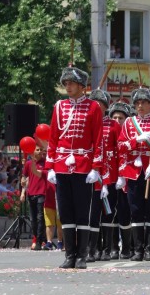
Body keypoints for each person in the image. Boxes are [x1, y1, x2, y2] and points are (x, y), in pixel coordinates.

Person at [46, 66, 105, 269]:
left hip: (83, 165)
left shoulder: (93, 107)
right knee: (66, 212)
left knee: (82, 213)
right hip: (62, 165)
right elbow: (53, 137)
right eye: (65, 83)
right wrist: (50, 166)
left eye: (71, 83)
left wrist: (96, 167)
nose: (67, 87)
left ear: (81, 86)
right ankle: (69, 254)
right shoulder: (59, 107)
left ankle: (82, 255)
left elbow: (98, 139)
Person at [117, 88, 150, 261]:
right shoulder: (129, 123)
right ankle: (138, 249)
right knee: (136, 210)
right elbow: (120, 146)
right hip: (133, 171)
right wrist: (135, 140)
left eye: (144, 102)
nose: (140, 106)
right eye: (137, 103)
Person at [88, 89, 121, 262]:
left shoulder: (113, 125)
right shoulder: (88, 123)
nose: (96, 106)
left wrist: (120, 175)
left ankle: (107, 249)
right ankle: (93, 249)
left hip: (110, 175)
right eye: (94, 103)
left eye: (100, 104)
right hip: (92, 175)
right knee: (93, 214)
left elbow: (120, 150)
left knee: (108, 214)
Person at [109, 101, 133, 258]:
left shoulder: (131, 135)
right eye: (115, 117)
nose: (117, 121)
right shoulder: (105, 133)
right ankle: (111, 248)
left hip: (127, 179)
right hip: (109, 179)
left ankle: (127, 247)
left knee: (126, 214)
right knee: (110, 215)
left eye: (121, 118)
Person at [21, 146, 47, 251]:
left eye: (41, 149)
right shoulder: (27, 164)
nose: (40, 151)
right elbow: (24, 177)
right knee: (33, 220)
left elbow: (40, 174)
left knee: (40, 218)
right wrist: (23, 189)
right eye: (38, 149)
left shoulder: (45, 163)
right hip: (31, 193)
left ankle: (39, 242)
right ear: (33, 151)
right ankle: (38, 238)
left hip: (42, 193)